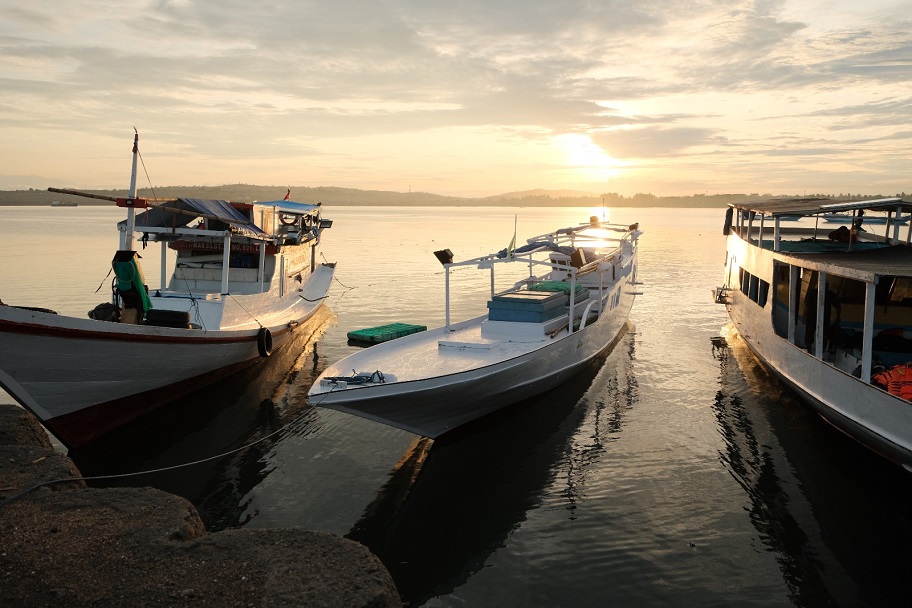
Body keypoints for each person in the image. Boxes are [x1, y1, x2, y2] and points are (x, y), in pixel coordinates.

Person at [803, 286, 841, 353]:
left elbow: (807, 305)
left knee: (810, 334)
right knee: (823, 336)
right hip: (824, 318)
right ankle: (820, 353)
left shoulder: (813, 292)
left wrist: (804, 315)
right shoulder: (830, 294)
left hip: (812, 318)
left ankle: (809, 351)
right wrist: (838, 317)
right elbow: (838, 306)